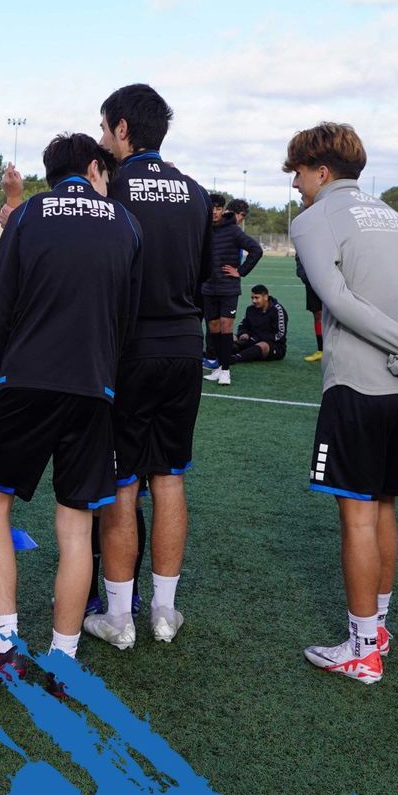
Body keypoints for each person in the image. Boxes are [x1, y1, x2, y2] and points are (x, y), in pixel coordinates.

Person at [286, 124, 398, 684]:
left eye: (299, 172)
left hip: (358, 386)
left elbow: (338, 301)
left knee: (358, 515)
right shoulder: (393, 217)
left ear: (322, 171)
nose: (295, 183)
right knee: (383, 507)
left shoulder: (314, 219)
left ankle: (361, 648)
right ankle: (375, 628)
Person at [0, 134, 140, 677]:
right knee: (74, 527)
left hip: (26, 383)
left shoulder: (25, 217)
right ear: (93, 167)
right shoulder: (124, 221)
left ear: (51, 174)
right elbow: (127, 315)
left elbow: (3, 303)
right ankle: (63, 658)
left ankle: (4, 645)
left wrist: (4, 370)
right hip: (94, 390)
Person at [93, 84, 213, 645]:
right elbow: (210, 278)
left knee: (121, 483)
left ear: (122, 129)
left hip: (129, 351)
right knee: (169, 478)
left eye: (103, 127)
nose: (100, 138)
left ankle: (118, 616)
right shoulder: (194, 190)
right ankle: (164, 610)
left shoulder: (112, 186)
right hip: (185, 348)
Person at [201, 196, 263, 378]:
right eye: (212, 208)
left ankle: (226, 371)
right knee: (213, 326)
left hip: (228, 287)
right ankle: (218, 366)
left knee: (226, 326)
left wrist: (241, 271)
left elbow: (256, 250)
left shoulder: (233, 230)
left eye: (218, 208)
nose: (214, 212)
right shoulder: (204, 229)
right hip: (208, 287)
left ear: (223, 210)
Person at [214, 284, 287, 377]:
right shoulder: (250, 309)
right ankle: (215, 353)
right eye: (252, 298)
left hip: (274, 345)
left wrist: (257, 338)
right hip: (251, 340)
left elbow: (280, 334)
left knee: (263, 345)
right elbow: (243, 325)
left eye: (257, 298)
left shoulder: (278, 310)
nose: (254, 301)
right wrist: (243, 333)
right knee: (231, 336)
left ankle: (235, 358)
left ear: (265, 297)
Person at [296, 256, 324, 363]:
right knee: (318, 315)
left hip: (331, 283)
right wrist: (310, 279)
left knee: (336, 314)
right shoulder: (303, 242)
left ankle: (338, 350)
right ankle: (321, 350)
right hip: (312, 284)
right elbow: (299, 266)